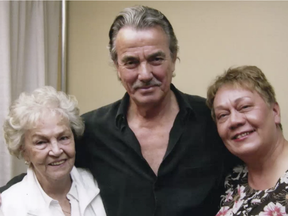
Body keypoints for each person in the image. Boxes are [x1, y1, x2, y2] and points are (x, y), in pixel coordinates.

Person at [1, 5, 238, 216]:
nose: (144, 75)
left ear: (174, 58)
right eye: (131, 62)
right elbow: (47, 170)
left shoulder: (212, 119)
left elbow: (256, 167)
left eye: (156, 59)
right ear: (117, 66)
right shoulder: (90, 131)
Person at [0, 86, 106, 216]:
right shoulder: (8, 206)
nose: (56, 151)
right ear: (24, 151)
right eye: (41, 142)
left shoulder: (99, 182)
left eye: (63, 138)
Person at [206, 66, 288, 215]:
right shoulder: (232, 179)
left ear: (275, 112)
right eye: (223, 115)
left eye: (244, 107)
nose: (234, 121)